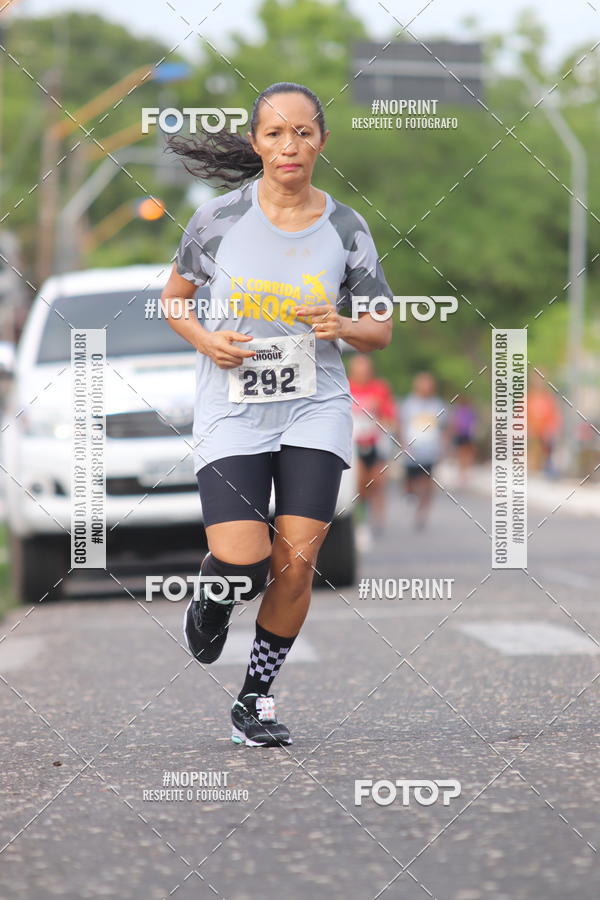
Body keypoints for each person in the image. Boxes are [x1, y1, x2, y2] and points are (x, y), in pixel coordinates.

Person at [161, 82, 393, 747]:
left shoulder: (345, 227)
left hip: (313, 407)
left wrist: (343, 324)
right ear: (257, 142)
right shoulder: (217, 220)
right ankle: (212, 598)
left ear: (322, 141)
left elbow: (380, 330)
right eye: (274, 134)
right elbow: (175, 299)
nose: (289, 145)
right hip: (232, 407)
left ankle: (253, 700)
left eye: (303, 132)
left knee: (295, 563)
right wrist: (206, 340)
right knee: (243, 558)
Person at [348, 353, 398, 545]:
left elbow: (390, 417)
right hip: (353, 443)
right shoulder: (345, 386)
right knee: (360, 484)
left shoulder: (380, 388)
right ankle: (360, 522)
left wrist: (384, 423)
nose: (362, 372)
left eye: (365, 369)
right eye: (358, 369)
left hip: (375, 442)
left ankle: (376, 520)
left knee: (377, 482)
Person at [399, 372, 446, 531]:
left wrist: (443, 446)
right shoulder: (408, 404)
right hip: (412, 450)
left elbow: (445, 427)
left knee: (427, 483)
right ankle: (410, 498)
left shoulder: (437, 405)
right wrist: (403, 445)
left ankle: (422, 513)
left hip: (430, 451)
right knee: (410, 483)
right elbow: (400, 424)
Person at [450, 394, 478, 487]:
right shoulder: (460, 410)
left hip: (467, 435)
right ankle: (462, 474)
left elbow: (472, 423)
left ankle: (464, 473)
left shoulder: (468, 411)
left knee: (466, 453)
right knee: (462, 454)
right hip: (462, 434)